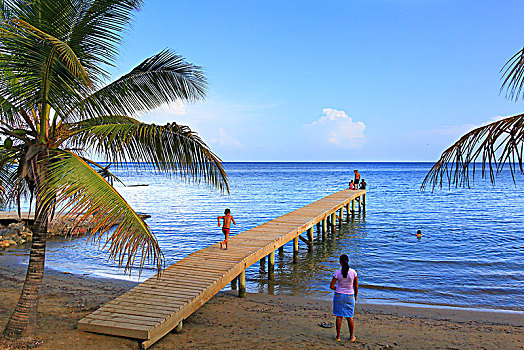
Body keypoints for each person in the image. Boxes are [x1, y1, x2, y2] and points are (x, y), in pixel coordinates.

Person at [330, 254, 358, 342]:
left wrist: (337, 289)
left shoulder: (337, 273)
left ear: (340, 262)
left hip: (339, 295)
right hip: (349, 295)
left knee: (339, 316)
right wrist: (355, 295)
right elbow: (356, 287)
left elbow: (331, 286)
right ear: (348, 261)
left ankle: (338, 337)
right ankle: (351, 337)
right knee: (350, 317)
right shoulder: (353, 272)